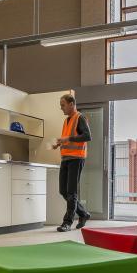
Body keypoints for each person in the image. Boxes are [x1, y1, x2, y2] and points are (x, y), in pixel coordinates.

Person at [53, 94, 92, 232]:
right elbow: (68, 139)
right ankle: (83, 214)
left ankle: (67, 222)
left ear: (71, 104)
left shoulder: (80, 118)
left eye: (63, 105)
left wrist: (68, 138)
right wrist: (59, 143)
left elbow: (87, 136)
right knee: (63, 191)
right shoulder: (66, 121)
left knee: (71, 192)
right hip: (65, 159)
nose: (61, 108)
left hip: (76, 158)